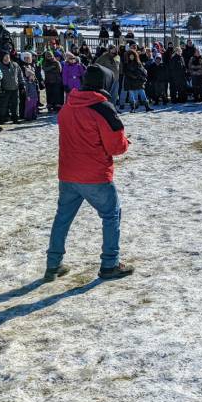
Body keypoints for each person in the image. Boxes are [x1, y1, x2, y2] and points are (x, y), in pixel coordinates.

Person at [44, 64, 133, 282]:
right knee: (111, 214)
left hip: (67, 173)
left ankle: (53, 265)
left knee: (62, 218)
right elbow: (116, 147)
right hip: (95, 175)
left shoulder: (69, 105)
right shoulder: (103, 108)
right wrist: (125, 141)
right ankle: (110, 263)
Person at [0, 52, 22, 124]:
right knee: (3, 105)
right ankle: (2, 118)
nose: (7, 58)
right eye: (5, 56)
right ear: (2, 58)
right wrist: (0, 87)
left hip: (15, 88)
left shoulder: (15, 65)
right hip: (5, 89)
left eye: (8, 56)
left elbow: (20, 75)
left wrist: (22, 84)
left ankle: (15, 118)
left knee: (15, 104)